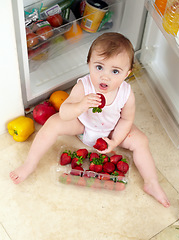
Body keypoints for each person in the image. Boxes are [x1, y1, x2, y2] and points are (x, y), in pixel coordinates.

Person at [10, 32, 170, 207]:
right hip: (82, 125)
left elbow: (126, 119)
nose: (105, 76)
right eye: (99, 67)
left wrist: (115, 141)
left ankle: (151, 182)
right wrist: (80, 106)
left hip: (112, 129)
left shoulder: (126, 93)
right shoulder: (83, 86)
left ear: (127, 74)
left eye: (115, 71)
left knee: (141, 141)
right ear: (89, 64)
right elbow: (64, 113)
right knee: (53, 123)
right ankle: (30, 164)